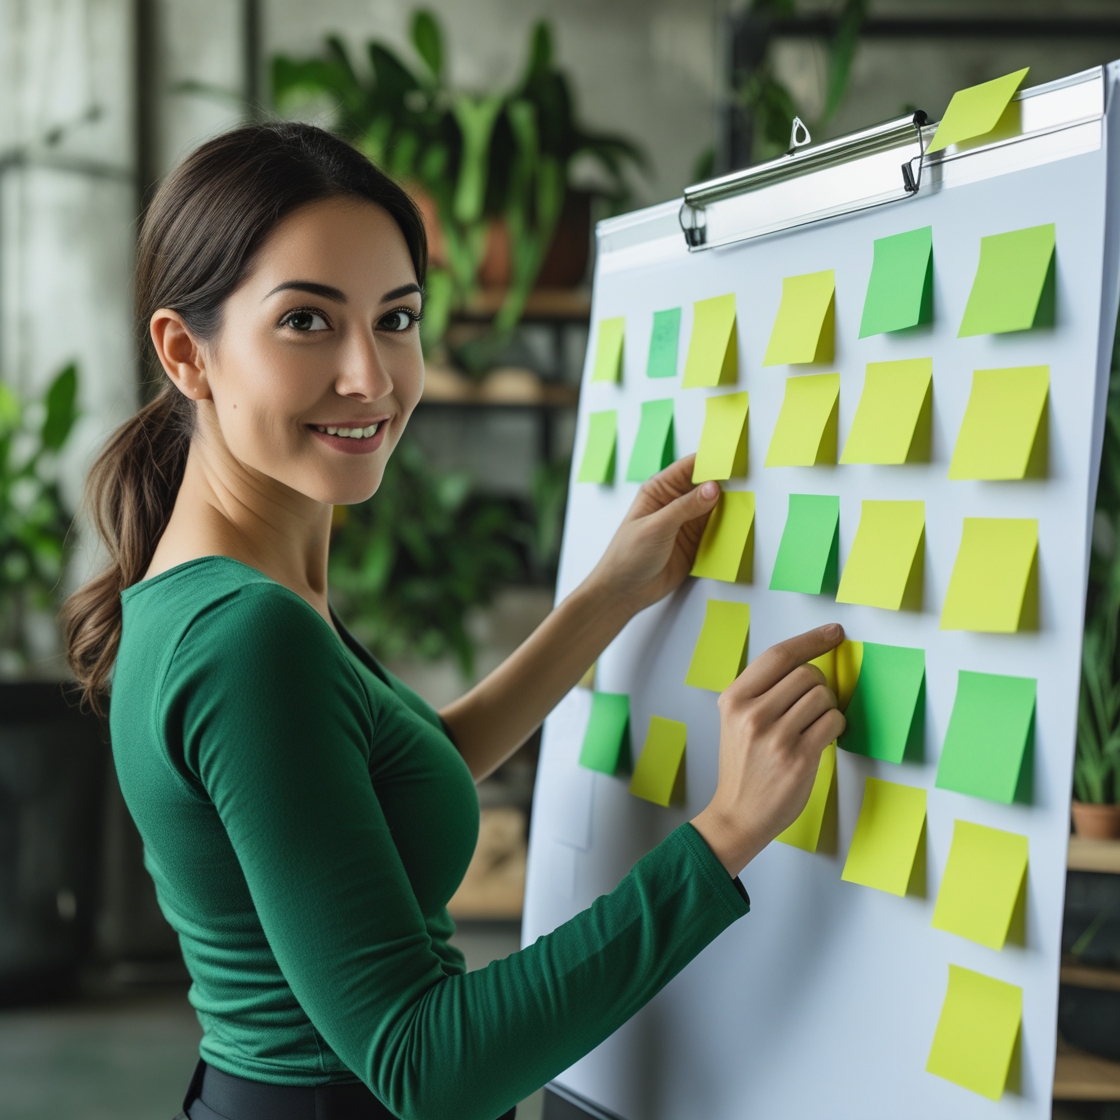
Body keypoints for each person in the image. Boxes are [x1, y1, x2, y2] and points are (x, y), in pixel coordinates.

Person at [62, 123, 845, 1120]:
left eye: (397, 318)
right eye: (307, 321)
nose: (371, 376)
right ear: (187, 353)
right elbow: (426, 1066)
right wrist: (728, 830)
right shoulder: (245, 638)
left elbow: (381, 779)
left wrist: (606, 595)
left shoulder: (229, 589)